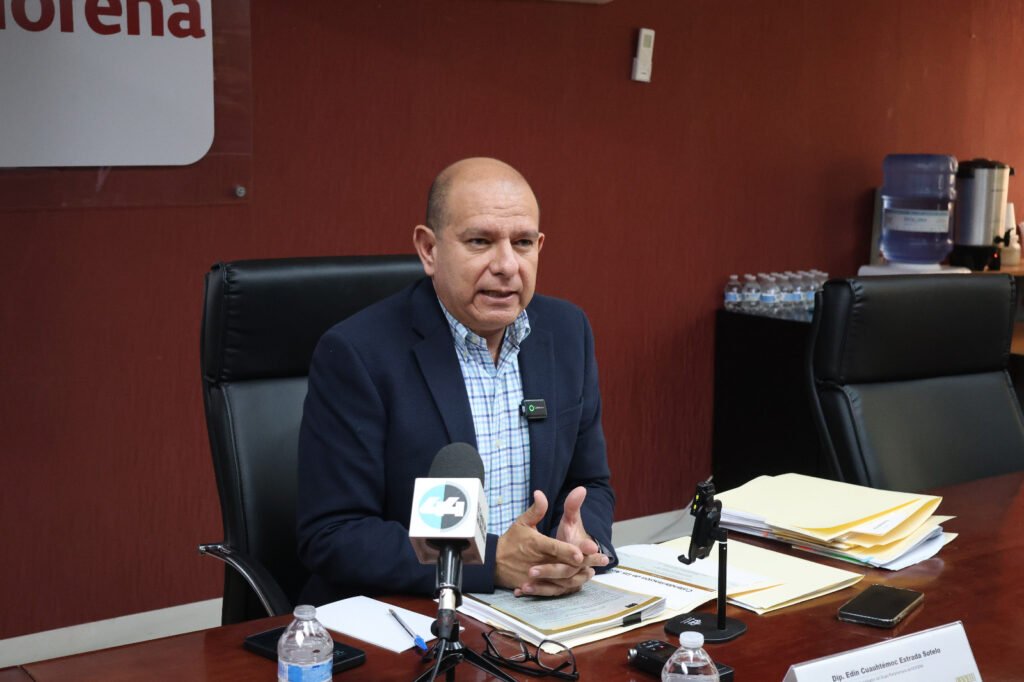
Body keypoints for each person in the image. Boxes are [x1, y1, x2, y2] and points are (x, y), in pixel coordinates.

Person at [297, 157, 616, 604]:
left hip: (540, 606)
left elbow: (591, 483)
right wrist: (488, 562)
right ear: (429, 249)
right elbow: (334, 534)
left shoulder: (567, 333)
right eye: (480, 241)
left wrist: (581, 542)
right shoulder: (357, 353)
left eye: (523, 242)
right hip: (412, 610)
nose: (507, 265)